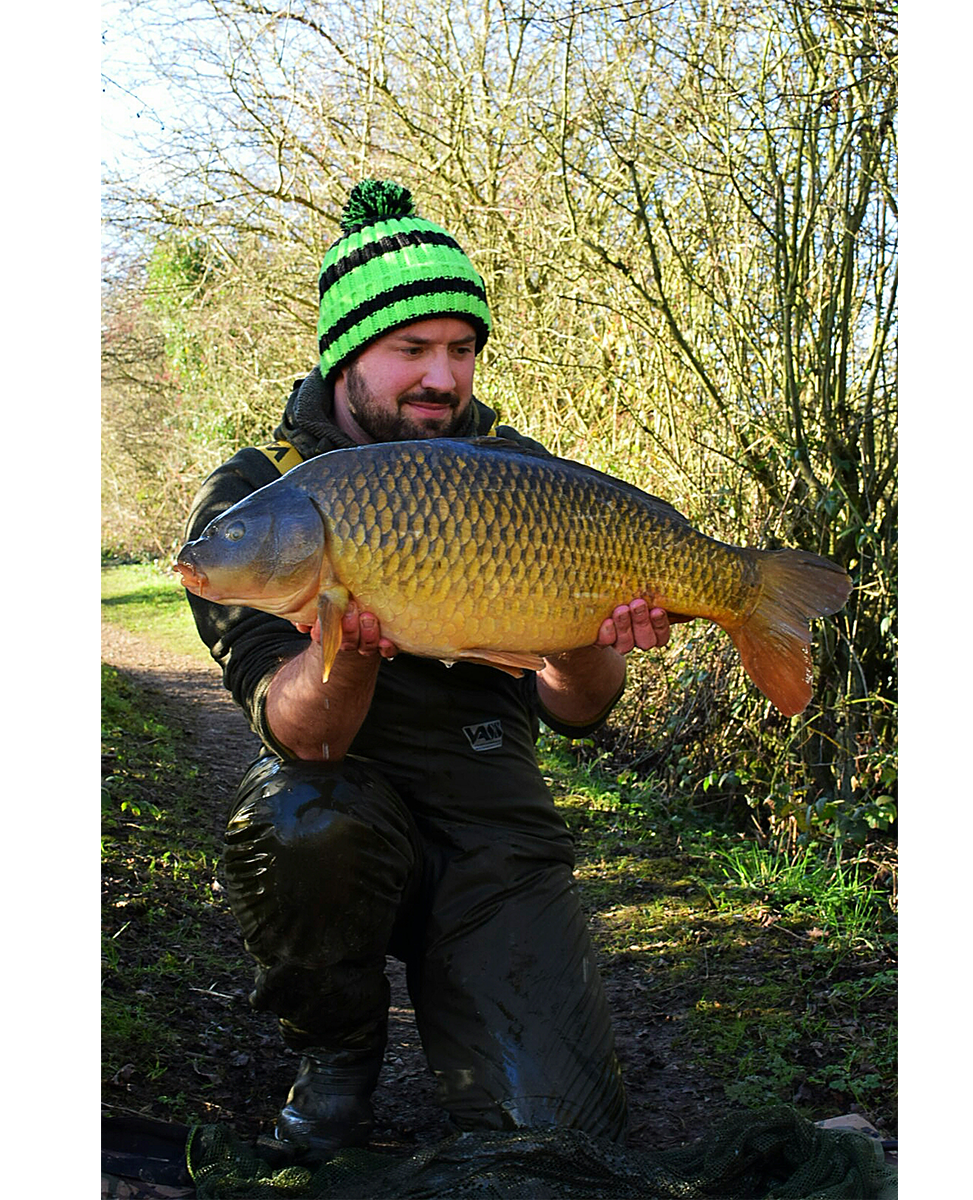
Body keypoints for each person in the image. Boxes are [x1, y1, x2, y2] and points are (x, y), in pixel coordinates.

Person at [183, 179, 672, 1163]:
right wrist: (344, 650)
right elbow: (304, 736)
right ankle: (337, 1054)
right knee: (296, 816)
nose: (442, 377)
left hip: (492, 824)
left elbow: (576, 711)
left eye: (461, 348)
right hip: (347, 813)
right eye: (411, 349)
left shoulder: (513, 468)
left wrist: (588, 636)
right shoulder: (259, 498)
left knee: (561, 1145)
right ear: (346, 356)